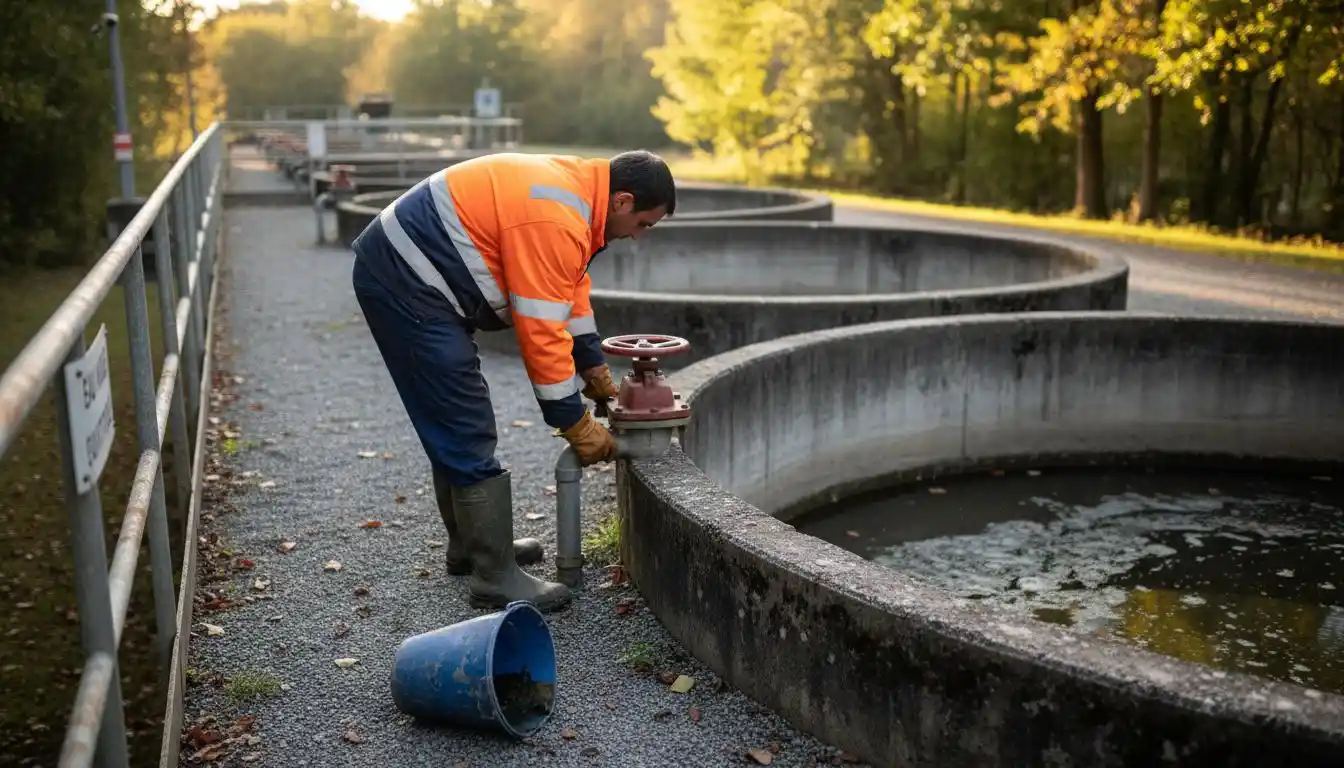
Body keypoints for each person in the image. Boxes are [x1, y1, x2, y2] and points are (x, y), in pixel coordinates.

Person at [349, 150, 676, 613]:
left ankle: (472, 548)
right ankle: (495, 576)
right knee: (462, 415)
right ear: (622, 201)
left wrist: (594, 368)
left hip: (410, 270)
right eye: (644, 224)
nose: (639, 237)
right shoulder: (558, 217)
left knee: (454, 414)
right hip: (405, 280)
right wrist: (575, 424)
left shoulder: (576, 197)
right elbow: (541, 331)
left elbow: (569, 288)